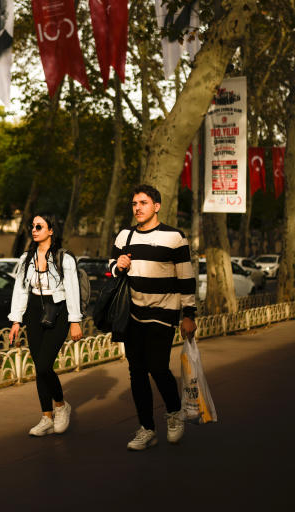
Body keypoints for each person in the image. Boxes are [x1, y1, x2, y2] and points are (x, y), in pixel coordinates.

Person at [110, 184, 196, 451]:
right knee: (136, 372)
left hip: (163, 314)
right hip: (132, 314)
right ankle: (147, 428)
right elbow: (111, 268)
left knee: (157, 367)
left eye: (143, 203)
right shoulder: (124, 236)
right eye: (134, 203)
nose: (137, 208)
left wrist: (188, 314)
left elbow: (186, 277)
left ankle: (173, 413)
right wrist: (117, 266)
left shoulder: (174, 237)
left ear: (156, 206)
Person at [8, 213, 83, 437]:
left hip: (58, 311)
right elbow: (20, 290)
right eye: (32, 226)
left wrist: (75, 321)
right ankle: (46, 417)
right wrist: (16, 320)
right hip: (34, 310)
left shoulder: (64, 258)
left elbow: (72, 290)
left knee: (43, 365)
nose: (34, 230)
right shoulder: (26, 259)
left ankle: (61, 405)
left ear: (51, 230)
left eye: (39, 226)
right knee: (40, 369)